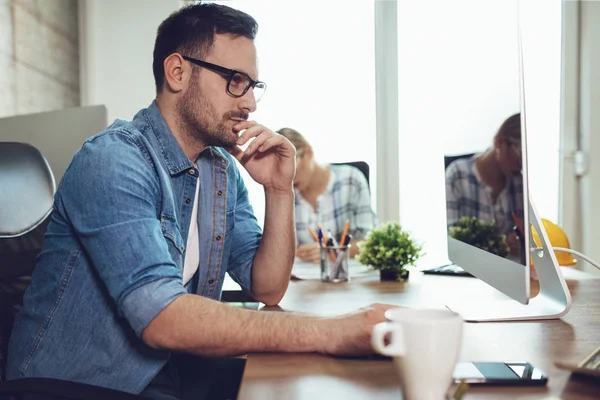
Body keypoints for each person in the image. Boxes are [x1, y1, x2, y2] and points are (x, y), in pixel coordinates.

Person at [6, 3, 397, 399]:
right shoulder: (112, 160)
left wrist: (279, 190)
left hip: (170, 370)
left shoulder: (220, 169)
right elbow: (162, 318)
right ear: (177, 72)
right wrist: (329, 331)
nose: (250, 104)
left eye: (253, 86)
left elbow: (267, 287)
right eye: (235, 80)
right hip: (76, 384)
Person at [277, 127, 377, 264]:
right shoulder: (284, 192)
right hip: (303, 281)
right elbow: (281, 251)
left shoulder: (351, 180)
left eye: (292, 168)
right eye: (281, 172)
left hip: (347, 278)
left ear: (308, 153)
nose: (289, 178)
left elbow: (370, 243)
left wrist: (334, 251)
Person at [445, 113, 524, 260]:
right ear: (500, 142)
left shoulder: (518, 183)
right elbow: (451, 241)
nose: (521, 167)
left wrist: (521, 241)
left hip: (509, 272)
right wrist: (501, 244)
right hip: (468, 273)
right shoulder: (458, 175)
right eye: (520, 157)